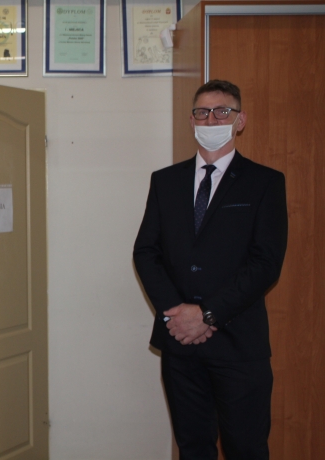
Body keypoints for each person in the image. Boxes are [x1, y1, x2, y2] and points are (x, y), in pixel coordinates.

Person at [133, 80, 288, 460]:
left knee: (246, 449)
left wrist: (206, 315)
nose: (211, 119)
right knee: (193, 448)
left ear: (240, 120)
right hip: (180, 343)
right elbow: (146, 252)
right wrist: (178, 315)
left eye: (222, 111)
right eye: (202, 112)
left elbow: (266, 263)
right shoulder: (165, 181)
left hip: (238, 344)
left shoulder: (265, 182)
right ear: (192, 120)